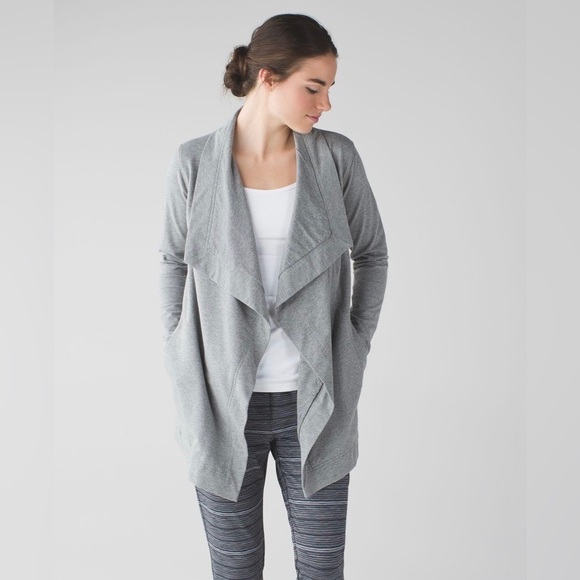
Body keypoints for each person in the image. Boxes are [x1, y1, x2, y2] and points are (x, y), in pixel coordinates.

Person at [158, 13, 389, 580]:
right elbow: (171, 260)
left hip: (316, 399)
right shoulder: (195, 162)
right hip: (221, 403)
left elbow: (373, 254)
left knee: (321, 567)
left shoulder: (336, 158)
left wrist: (354, 341)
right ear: (268, 77)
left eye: (330, 88)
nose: (326, 103)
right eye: (314, 87)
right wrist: (180, 344)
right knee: (235, 568)